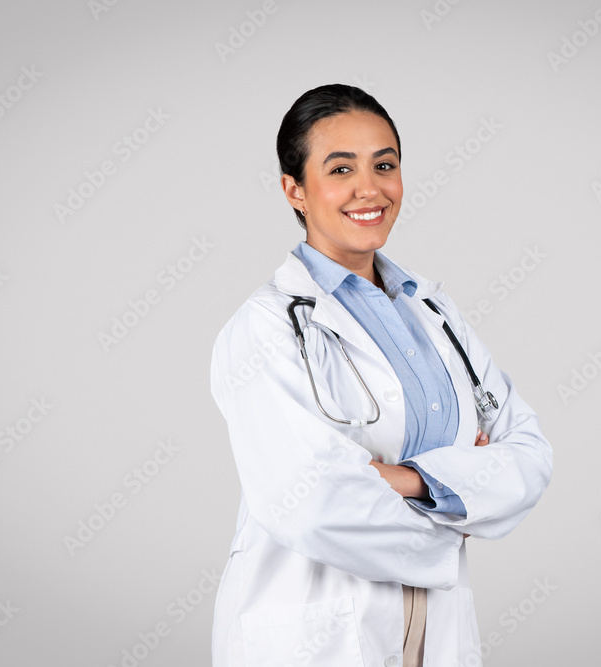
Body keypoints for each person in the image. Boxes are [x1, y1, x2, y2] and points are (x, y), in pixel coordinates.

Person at [209, 83, 552, 666]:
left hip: (435, 625)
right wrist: (460, 496)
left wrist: (406, 480)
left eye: (384, 165)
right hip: (315, 629)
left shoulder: (435, 315)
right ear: (295, 189)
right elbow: (310, 500)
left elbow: (529, 456)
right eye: (340, 168)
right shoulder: (266, 328)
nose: (370, 189)